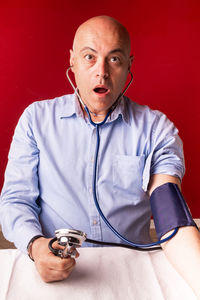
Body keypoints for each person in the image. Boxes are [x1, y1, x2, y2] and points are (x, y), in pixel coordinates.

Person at [0, 15, 200, 297]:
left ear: (129, 64)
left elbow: (170, 212)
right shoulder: (36, 120)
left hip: (131, 275)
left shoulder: (157, 130)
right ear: (72, 61)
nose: (101, 72)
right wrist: (36, 246)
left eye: (114, 59)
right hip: (58, 274)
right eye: (89, 57)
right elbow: (15, 200)